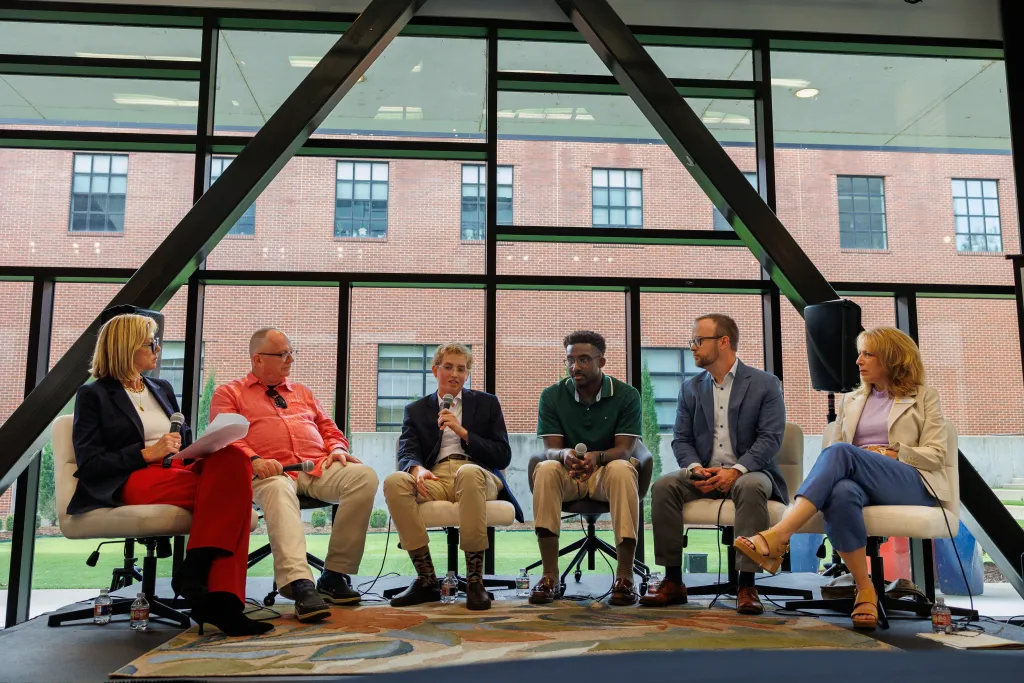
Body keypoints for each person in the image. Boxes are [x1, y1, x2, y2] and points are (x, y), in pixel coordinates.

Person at [734, 326, 949, 630]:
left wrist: (896, 452)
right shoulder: (852, 400)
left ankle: (779, 534)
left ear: (891, 358)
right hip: (858, 481)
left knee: (843, 453)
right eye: (859, 354)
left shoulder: (924, 397)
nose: (859, 361)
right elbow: (829, 454)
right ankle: (865, 590)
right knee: (841, 493)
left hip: (909, 481)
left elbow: (937, 454)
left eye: (867, 354)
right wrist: (855, 457)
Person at [70, 313, 271, 636]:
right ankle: (223, 601)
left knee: (234, 457)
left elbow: (184, 441)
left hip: (178, 469)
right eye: (152, 343)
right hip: (133, 476)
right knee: (235, 498)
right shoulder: (93, 395)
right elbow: (91, 462)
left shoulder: (160, 387)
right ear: (126, 347)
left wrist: (197, 447)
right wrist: (146, 453)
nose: (159, 348)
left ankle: (197, 572)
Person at [211, 327, 378, 623]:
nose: (290, 359)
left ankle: (335, 574)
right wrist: (255, 459)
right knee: (277, 488)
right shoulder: (230, 393)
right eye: (283, 354)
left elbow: (329, 428)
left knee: (363, 476)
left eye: (292, 352)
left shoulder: (302, 392)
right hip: (268, 473)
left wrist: (337, 448)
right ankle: (300, 585)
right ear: (258, 359)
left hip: (315, 468)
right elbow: (225, 438)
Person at [640, 314, 787, 615]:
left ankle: (747, 584)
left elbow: (770, 438)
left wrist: (736, 470)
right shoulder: (691, 388)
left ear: (723, 342)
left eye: (698, 340)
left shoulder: (765, 384)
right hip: (704, 474)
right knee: (664, 485)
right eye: (692, 341)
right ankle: (673, 580)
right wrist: (695, 468)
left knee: (748, 486)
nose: (692, 347)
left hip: (751, 472)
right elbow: (681, 439)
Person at [383, 343, 523, 611]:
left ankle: (474, 581)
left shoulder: (487, 404)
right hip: (435, 478)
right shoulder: (416, 410)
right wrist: (416, 468)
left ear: (467, 374)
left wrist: (463, 433)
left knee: (468, 473)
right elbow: (407, 450)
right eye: (448, 367)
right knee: (394, 481)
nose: (455, 374)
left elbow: (503, 455)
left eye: (461, 368)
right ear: (436, 370)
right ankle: (426, 580)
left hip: (478, 476)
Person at [529, 330, 643, 606]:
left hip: (605, 472)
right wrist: (564, 453)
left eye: (583, 360)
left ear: (601, 362)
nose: (574, 367)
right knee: (545, 468)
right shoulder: (552, 395)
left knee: (622, 468)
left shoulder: (627, 395)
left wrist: (597, 457)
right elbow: (550, 448)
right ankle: (549, 576)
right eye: (570, 360)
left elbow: (625, 450)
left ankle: (625, 577)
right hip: (568, 473)